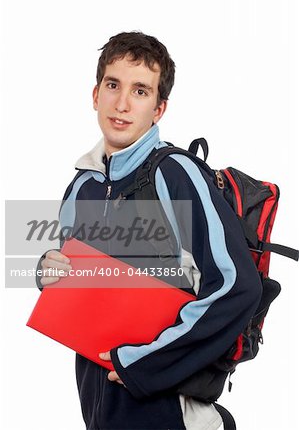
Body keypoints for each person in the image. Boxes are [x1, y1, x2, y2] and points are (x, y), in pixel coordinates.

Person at [36, 31, 262, 430]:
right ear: (95, 95)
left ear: (158, 109)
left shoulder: (176, 174)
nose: (122, 104)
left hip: (171, 412)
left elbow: (236, 287)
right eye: (113, 85)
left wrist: (145, 363)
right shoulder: (81, 187)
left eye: (140, 91)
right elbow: (80, 288)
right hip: (99, 408)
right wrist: (48, 272)